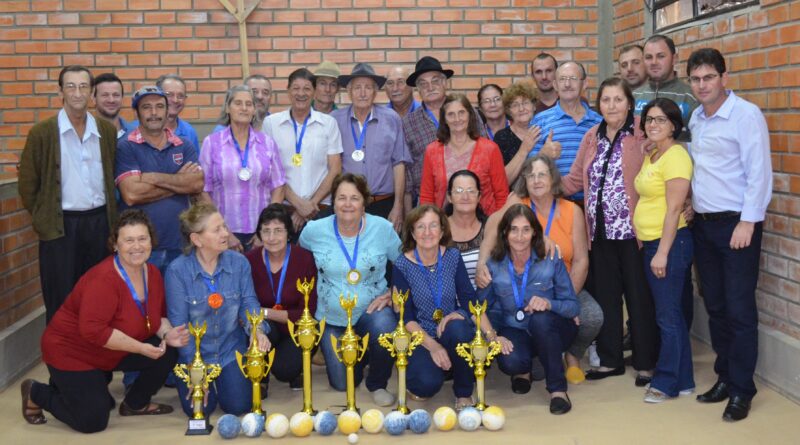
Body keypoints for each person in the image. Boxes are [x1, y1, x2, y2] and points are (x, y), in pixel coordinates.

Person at [21, 210, 189, 432]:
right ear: (115, 245)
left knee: (168, 350)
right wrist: (141, 348)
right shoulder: (103, 279)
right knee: (93, 420)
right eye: (129, 240)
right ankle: (37, 393)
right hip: (73, 351)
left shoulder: (153, 274)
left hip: (112, 350)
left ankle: (135, 404)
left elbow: (155, 318)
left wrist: (168, 334)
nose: (137, 246)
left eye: (142, 238)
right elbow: (94, 332)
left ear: (151, 241)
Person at [687, 48, 772, 422]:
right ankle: (724, 377)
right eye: (695, 79)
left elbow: (759, 173)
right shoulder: (696, 118)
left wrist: (748, 222)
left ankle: (742, 389)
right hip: (704, 226)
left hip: (737, 225)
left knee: (739, 310)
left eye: (708, 77)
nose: (702, 85)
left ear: (724, 77)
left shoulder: (746, 115)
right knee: (717, 306)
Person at [558, 77, 658, 385]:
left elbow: (663, 166)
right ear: (597, 104)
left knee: (639, 299)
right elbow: (574, 180)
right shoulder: (592, 136)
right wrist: (538, 186)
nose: (612, 106)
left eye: (618, 99)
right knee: (608, 299)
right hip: (599, 235)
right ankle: (611, 360)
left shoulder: (643, 131)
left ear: (629, 103)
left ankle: (645, 363)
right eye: (606, 100)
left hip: (633, 233)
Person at [476, 155, 603, 385]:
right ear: (524, 179)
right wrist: (481, 267)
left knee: (592, 316)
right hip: (519, 287)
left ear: (553, 177)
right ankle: (535, 358)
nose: (536, 180)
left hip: (563, 283)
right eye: (531, 175)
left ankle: (571, 354)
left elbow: (581, 261)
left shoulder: (571, 210)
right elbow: (492, 233)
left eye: (542, 174)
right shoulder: (517, 202)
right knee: (523, 322)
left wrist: (564, 302)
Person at [18, 65, 118, 323]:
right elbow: (28, 185)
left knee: (98, 293)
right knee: (60, 295)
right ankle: (62, 355)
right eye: (71, 86)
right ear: (60, 90)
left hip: (99, 225)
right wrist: (44, 217)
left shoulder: (105, 132)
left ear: (92, 92)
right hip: (60, 226)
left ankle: (95, 354)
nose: (77, 93)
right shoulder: (42, 133)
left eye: (84, 86)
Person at [298, 174, 400, 407]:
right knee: (343, 384)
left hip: (371, 310)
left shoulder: (382, 229)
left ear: (364, 202)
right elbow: (299, 264)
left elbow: (405, 265)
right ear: (333, 202)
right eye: (341, 198)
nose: (347, 204)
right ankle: (359, 355)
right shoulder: (313, 230)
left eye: (354, 198)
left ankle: (377, 382)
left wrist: (392, 292)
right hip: (331, 318)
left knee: (385, 326)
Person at [165, 202, 270, 417]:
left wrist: (257, 330)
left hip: (230, 349)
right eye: (217, 230)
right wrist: (195, 373)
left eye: (224, 226)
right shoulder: (177, 271)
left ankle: (231, 381)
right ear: (197, 239)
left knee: (239, 406)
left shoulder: (239, 263)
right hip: (195, 355)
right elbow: (180, 328)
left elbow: (249, 303)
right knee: (200, 408)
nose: (226, 233)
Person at [478, 204, 579, 415]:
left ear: (535, 232)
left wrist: (549, 304)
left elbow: (572, 306)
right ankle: (525, 368)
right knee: (510, 361)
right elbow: (479, 308)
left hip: (552, 328)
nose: (520, 236)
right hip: (515, 328)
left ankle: (558, 390)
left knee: (540, 319)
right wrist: (493, 337)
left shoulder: (550, 259)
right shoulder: (494, 264)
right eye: (514, 229)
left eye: (526, 229)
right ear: (505, 233)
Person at [634, 98, 695, 403]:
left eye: (660, 120)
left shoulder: (676, 157)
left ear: (674, 124)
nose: (653, 125)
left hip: (670, 244)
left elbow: (674, 210)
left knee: (667, 317)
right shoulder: (656, 154)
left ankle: (667, 382)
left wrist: (662, 253)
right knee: (672, 314)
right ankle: (684, 380)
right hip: (655, 242)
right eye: (649, 120)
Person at [392, 205, 478, 410]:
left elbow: (468, 298)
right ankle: (442, 365)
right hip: (421, 336)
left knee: (459, 328)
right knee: (425, 384)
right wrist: (433, 346)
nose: (427, 232)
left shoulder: (453, 257)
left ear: (442, 231)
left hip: (450, 330)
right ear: (412, 233)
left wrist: (459, 314)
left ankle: (464, 392)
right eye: (420, 227)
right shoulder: (401, 265)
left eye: (433, 226)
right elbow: (405, 317)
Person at [116, 86, 204, 274]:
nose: (154, 113)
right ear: (137, 112)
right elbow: (131, 194)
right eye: (147, 107)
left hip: (180, 244)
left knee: (178, 302)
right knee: (146, 301)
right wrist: (179, 183)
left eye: (159, 106)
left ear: (167, 110)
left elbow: (196, 184)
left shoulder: (183, 145)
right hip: (141, 247)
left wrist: (153, 178)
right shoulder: (125, 146)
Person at [199, 85, 286, 251]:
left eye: (249, 104)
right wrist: (224, 231)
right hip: (222, 234)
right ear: (227, 108)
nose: (244, 108)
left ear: (254, 110)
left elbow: (279, 186)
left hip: (261, 234)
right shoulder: (212, 143)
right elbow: (203, 191)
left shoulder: (267, 143)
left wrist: (265, 230)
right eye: (238, 103)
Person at [246, 204, 318, 390]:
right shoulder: (249, 261)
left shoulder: (304, 259)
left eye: (278, 231)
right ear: (259, 234)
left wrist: (265, 312)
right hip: (264, 327)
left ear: (288, 232)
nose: (272, 238)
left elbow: (307, 312)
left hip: (296, 329)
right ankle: (260, 375)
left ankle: (294, 368)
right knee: (254, 332)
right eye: (266, 231)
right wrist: (262, 318)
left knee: (285, 370)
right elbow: (245, 304)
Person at [262, 68, 343, 232]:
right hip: (284, 209)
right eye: (296, 88)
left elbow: (335, 168)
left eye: (306, 88)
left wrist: (310, 205)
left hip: (320, 209)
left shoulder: (328, 123)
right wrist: (298, 205)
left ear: (314, 92)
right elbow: (270, 170)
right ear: (288, 91)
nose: (301, 93)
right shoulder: (271, 124)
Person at [332, 63, 411, 229]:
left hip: (383, 204)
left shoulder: (391, 119)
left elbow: (399, 164)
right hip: (348, 206)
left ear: (375, 92)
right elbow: (332, 166)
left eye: (368, 88)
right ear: (349, 92)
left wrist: (398, 206)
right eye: (357, 88)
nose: (362, 93)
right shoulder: (335, 120)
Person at [402, 56, 486, 209]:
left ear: (445, 83)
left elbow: (486, 151)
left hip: (473, 199)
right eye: (423, 83)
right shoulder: (408, 123)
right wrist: (410, 214)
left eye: (435, 81)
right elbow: (407, 172)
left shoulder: (468, 113)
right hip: (429, 202)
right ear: (418, 89)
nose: (430, 87)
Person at [419, 94, 508, 215]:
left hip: (485, 226)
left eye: (461, 112)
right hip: (444, 227)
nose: (457, 119)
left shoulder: (490, 149)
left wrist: (496, 227)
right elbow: (426, 196)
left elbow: (501, 195)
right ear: (444, 119)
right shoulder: (432, 151)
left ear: (470, 115)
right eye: (451, 114)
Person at [529, 61, 603, 202]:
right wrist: (543, 154)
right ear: (555, 85)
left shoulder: (599, 122)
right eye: (562, 79)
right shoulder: (540, 120)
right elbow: (528, 168)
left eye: (573, 79)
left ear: (585, 84)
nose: (567, 84)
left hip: (591, 202)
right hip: (552, 202)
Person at [633, 35, 698, 141]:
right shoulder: (634, 97)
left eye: (661, 56)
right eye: (649, 57)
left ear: (674, 59)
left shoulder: (691, 97)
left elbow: (701, 144)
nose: (654, 62)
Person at [493, 82, 543, 185]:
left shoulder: (544, 130)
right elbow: (502, 182)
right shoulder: (502, 137)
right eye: (515, 105)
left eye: (525, 103)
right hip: (514, 198)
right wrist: (524, 149)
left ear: (534, 106)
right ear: (509, 111)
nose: (521, 109)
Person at [446, 170, 486, 287]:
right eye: (458, 191)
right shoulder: (437, 230)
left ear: (479, 197)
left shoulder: (490, 229)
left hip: (483, 302)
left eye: (471, 191)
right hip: (445, 302)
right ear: (449, 197)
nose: (465, 196)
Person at [92, 72, 128, 138]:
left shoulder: (135, 134)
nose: (111, 100)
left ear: (122, 98)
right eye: (105, 95)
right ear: (94, 99)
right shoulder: (86, 135)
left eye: (116, 95)